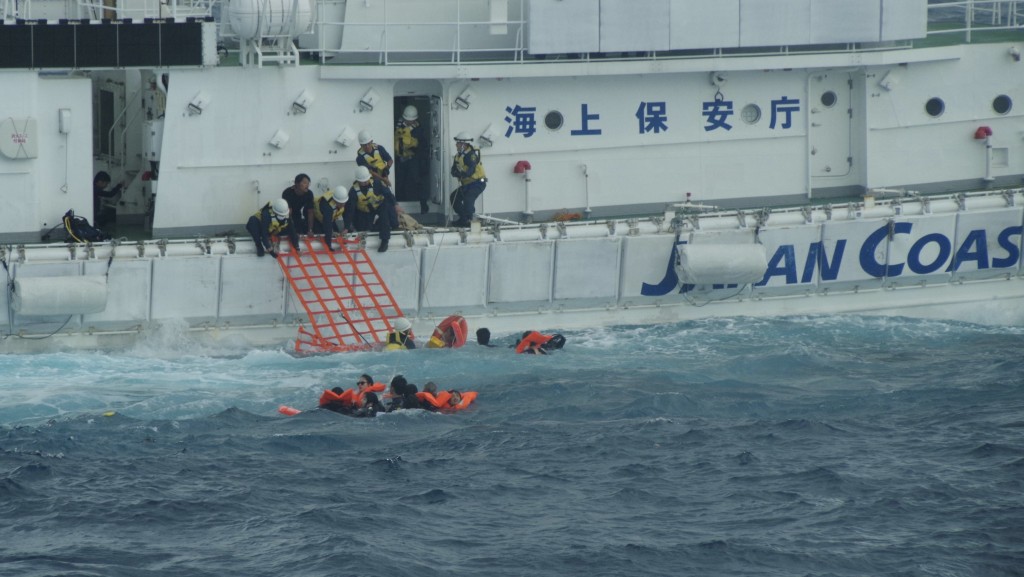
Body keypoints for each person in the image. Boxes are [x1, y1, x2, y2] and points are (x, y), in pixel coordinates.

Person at [343, 165, 398, 253]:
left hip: (380, 206)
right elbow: (350, 210)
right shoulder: (353, 191)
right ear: (358, 180)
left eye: (366, 180)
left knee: (387, 218)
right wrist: (346, 226)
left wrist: (396, 205)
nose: (365, 183)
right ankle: (375, 225)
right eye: (362, 181)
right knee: (363, 228)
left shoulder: (376, 183)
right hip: (365, 211)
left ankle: (385, 240)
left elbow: (388, 194)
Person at [394, 105, 429, 213]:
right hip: (400, 159)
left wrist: (415, 147)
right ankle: (399, 203)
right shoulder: (396, 125)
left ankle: (423, 204)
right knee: (399, 181)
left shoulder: (419, 129)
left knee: (417, 181)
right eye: (407, 120)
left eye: (411, 120)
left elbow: (423, 146)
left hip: (414, 159)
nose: (409, 122)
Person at [449, 132, 487, 227]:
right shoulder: (458, 156)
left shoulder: (471, 155)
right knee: (454, 197)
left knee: (468, 200)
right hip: (466, 184)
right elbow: (453, 169)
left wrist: (462, 175)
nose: (456, 145)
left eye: (458, 143)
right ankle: (464, 219)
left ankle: (471, 222)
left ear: (463, 144)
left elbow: (471, 169)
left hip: (477, 183)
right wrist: (455, 173)